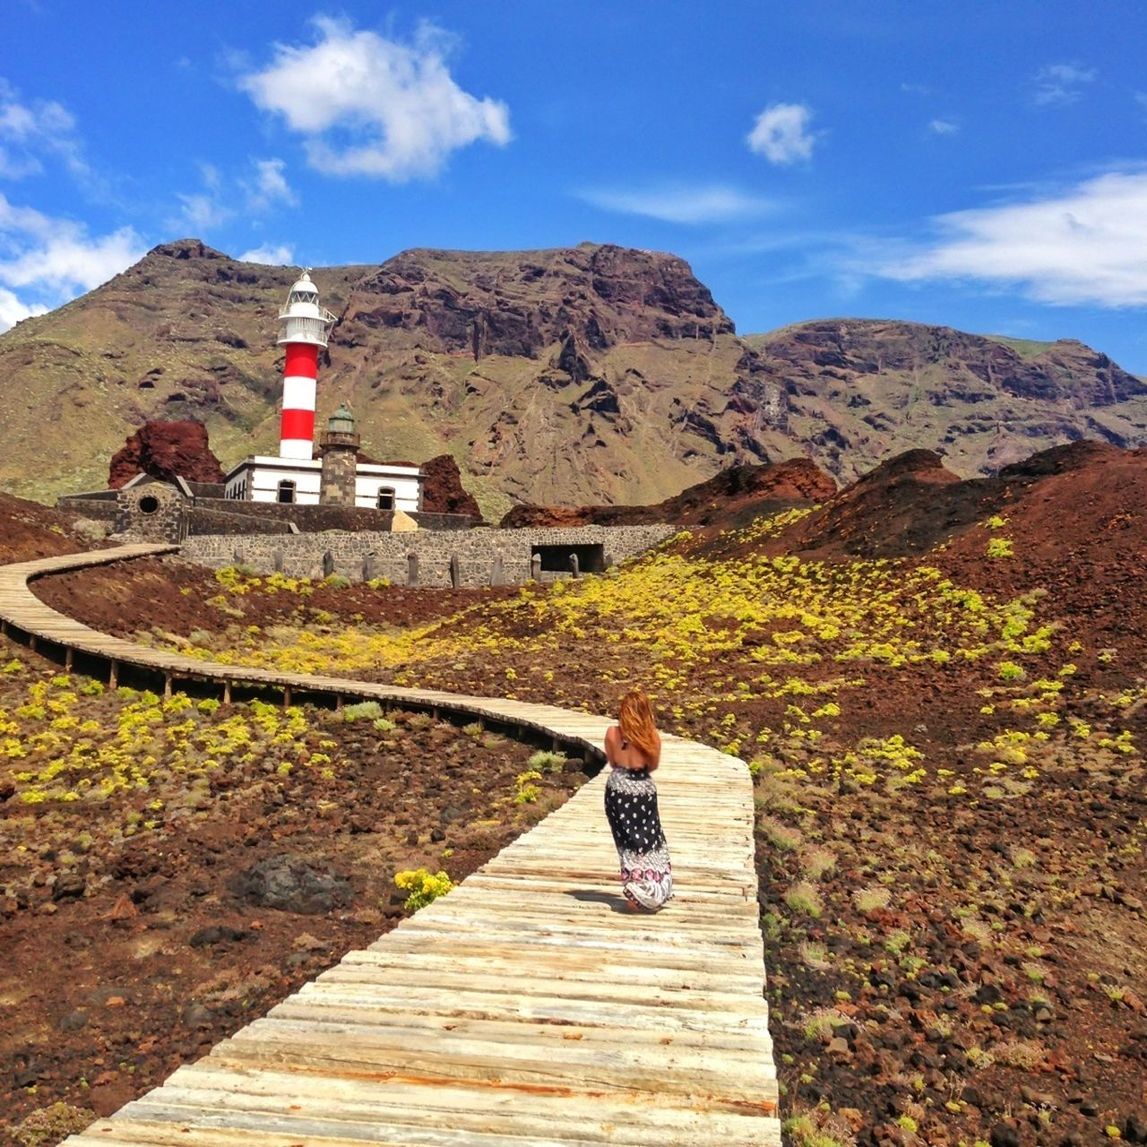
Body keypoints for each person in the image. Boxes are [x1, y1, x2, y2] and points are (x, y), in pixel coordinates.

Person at [603, 689, 672, 911]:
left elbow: (613, 762)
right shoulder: (652, 737)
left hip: (618, 789)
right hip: (642, 790)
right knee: (649, 838)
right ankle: (650, 887)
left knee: (626, 841)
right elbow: (653, 765)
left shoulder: (612, 733)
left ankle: (635, 888)